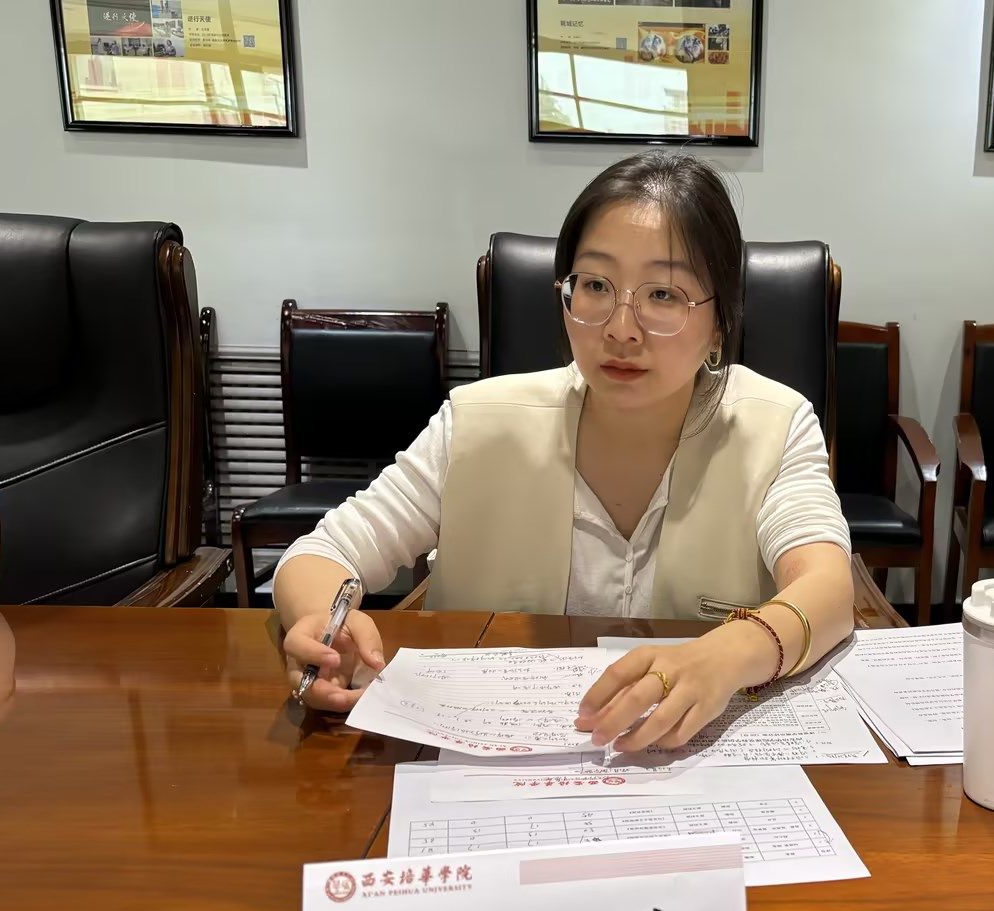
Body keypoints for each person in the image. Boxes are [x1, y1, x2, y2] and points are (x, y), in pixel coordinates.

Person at [274, 151, 853, 752]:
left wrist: (730, 652)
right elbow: (323, 552)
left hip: (694, 760)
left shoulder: (774, 425)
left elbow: (830, 588)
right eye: (596, 285)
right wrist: (321, 624)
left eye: (663, 293)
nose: (621, 328)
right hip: (483, 757)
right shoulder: (478, 422)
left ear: (719, 323)